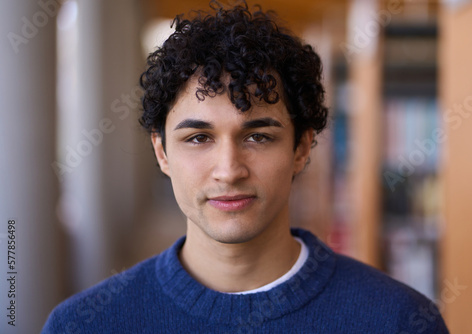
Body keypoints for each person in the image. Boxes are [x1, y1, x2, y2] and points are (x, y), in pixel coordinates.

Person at [42, 1, 449, 333]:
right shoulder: (81, 325)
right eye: (198, 138)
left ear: (302, 148)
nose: (228, 170)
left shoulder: (398, 321)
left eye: (258, 136)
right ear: (162, 153)